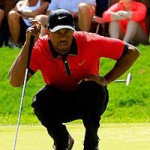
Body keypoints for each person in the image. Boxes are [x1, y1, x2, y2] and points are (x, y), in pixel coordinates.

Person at [9, 8, 140, 150]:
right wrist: (28, 43)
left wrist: (105, 80)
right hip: (60, 105)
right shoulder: (39, 47)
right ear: (48, 32)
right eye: (57, 32)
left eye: (67, 31)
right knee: (40, 101)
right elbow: (15, 81)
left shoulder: (89, 41)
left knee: (91, 87)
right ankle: (63, 140)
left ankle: (91, 143)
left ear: (74, 31)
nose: (63, 37)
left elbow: (132, 52)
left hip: (90, 102)